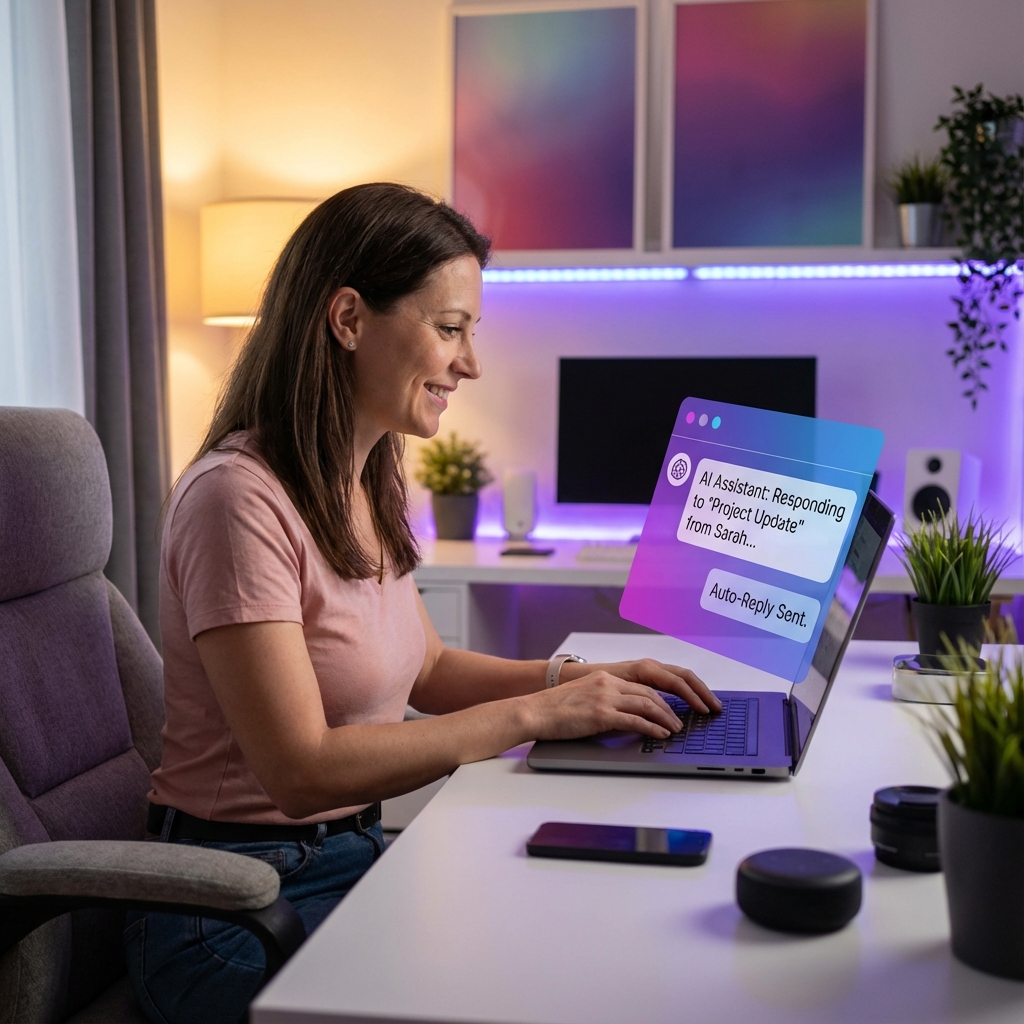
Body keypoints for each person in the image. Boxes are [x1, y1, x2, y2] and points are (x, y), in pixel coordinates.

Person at [124, 182, 720, 1024]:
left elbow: (428, 668)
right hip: (231, 911)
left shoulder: (363, 475)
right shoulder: (237, 500)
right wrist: (537, 715)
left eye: (471, 334)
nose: (470, 365)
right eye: (450, 330)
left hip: (349, 859)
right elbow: (301, 771)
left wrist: (573, 679)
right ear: (348, 319)